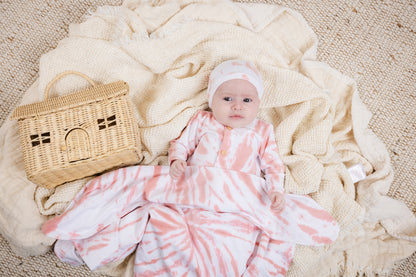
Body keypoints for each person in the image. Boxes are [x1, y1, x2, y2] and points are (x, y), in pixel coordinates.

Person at [42, 60, 339, 276]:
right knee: (151, 206)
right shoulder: (202, 121)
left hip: (236, 200)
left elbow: (272, 163)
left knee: (241, 238)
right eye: (227, 99)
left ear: (258, 103)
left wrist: (275, 189)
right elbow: (181, 143)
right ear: (212, 101)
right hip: (194, 188)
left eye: (246, 100)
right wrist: (177, 160)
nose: (237, 106)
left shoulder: (261, 130)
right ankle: (90, 238)